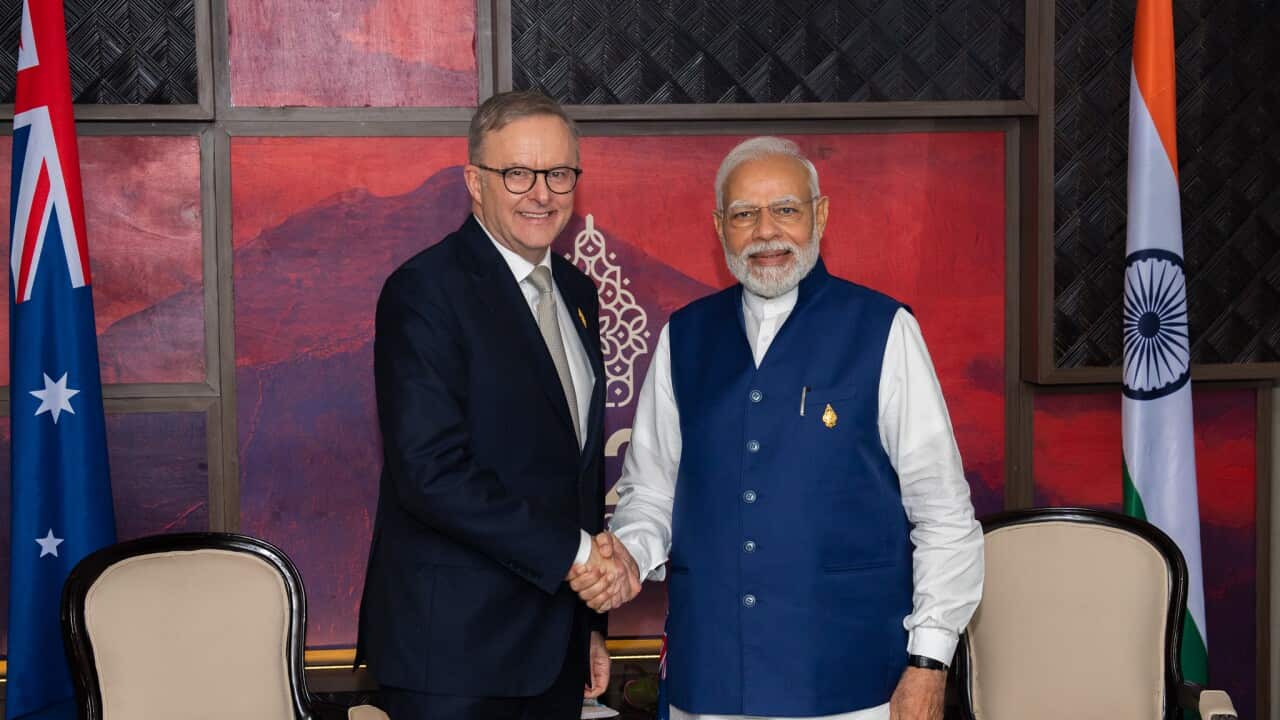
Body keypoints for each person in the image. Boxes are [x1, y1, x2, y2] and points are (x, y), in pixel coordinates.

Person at [573, 136, 984, 720]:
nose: (766, 231)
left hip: (852, 683)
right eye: (744, 214)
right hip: (709, 678)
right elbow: (652, 494)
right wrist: (632, 559)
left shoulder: (884, 329)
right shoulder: (683, 338)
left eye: (785, 209)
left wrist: (929, 662)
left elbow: (943, 514)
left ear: (820, 215)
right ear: (720, 227)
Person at [357, 90, 633, 720]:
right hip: (454, 655)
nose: (542, 192)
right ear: (474, 183)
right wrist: (582, 556)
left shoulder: (576, 291)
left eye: (559, 173)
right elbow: (430, 471)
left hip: (554, 648)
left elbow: (576, 472)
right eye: (517, 173)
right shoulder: (424, 292)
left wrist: (591, 622)